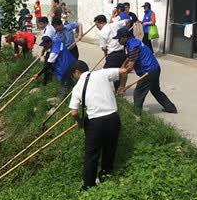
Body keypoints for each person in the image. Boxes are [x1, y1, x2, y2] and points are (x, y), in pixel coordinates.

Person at [69, 60, 127, 189]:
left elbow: (73, 112)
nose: (74, 78)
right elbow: (123, 71)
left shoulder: (77, 87)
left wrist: (80, 123)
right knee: (109, 149)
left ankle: (88, 185)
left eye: (73, 75)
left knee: (92, 154)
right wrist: (121, 86)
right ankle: (105, 177)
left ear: (77, 72)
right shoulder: (102, 73)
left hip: (95, 123)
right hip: (113, 119)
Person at [115, 27, 177, 116]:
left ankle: (136, 115)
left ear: (124, 37)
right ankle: (171, 108)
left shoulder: (132, 46)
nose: (118, 41)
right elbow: (130, 58)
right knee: (155, 90)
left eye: (119, 39)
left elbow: (130, 67)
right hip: (155, 68)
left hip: (149, 71)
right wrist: (122, 66)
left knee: (138, 92)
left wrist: (122, 85)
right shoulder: (132, 42)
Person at [94, 14, 126, 91]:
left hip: (113, 56)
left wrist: (106, 52)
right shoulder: (115, 24)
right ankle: (118, 92)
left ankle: (101, 91)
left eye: (97, 24)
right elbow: (127, 21)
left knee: (103, 75)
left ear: (101, 22)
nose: (96, 27)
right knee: (117, 73)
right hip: (122, 53)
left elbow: (104, 48)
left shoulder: (102, 33)